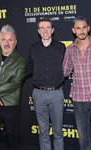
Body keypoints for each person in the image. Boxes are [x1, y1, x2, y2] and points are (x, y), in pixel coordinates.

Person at [63, 16, 91, 150]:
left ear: (88, 28)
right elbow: (65, 71)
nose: (81, 31)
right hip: (78, 99)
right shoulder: (70, 49)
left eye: (84, 27)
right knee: (83, 137)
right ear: (73, 30)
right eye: (78, 28)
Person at [27, 18, 65, 150]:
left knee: (58, 132)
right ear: (38, 31)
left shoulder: (61, 47)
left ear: (52, 30)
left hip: (56, 93)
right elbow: (29, 69)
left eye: (48, 27)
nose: (45, 30)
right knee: (43, 132)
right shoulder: (33, 48)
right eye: (42, 28)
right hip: (39, 94)